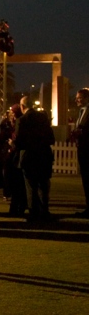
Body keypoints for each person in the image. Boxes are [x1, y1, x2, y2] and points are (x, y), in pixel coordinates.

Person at [15, 96, 55, 221]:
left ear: (22, 106)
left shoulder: (22, 120)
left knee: (31, 186)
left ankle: (33, 212)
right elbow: (51, 139)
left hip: (29, 156)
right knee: (43, 184)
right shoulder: (43, 118)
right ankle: (44, 211)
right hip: (44, 155)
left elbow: (19, 142)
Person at [73, 88, 89, 218]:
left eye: (79, 98)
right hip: (83, 148)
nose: (77, 100)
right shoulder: (82, 111)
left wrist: (81, 133)